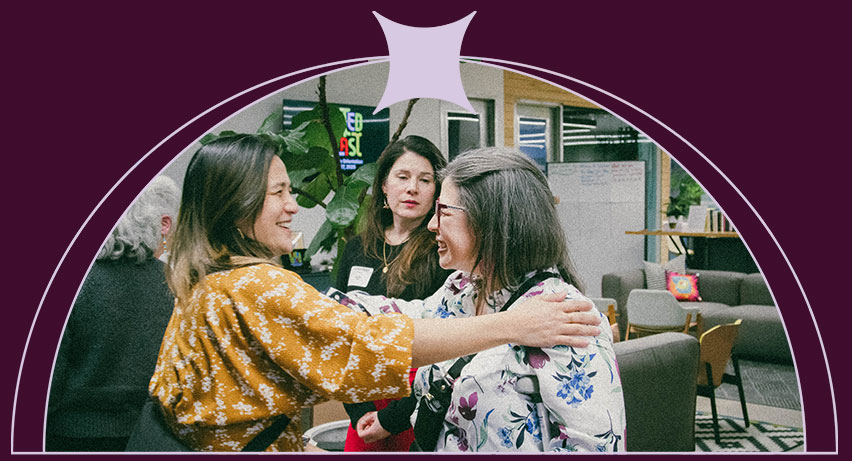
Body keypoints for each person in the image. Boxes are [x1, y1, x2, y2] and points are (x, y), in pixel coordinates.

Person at [146, 134, 602, 452]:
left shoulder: (559, 312)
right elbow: (372, 334)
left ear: (494, 220)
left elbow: (595, 439)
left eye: (439, 202)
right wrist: (510, 326)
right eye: (278, 192)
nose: (292, 205)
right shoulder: (253, 284)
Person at [353, 148, 626, 452]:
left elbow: (596, 447)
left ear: (490, 221)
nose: (432, 225)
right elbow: (405, 318)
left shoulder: (562, 315)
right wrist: (315, 306)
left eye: (443, 211)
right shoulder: (463, 288)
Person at [47, 175, 181, 451]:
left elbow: (50, 377)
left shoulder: (72, 283)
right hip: (151, 433)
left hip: (72, 434)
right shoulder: (176, 284)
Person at [336, 135, 452, 451]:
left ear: (437, 192)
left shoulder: (443, 254)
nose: (412, 188)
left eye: (425, 180)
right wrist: (360, 412)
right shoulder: (357, 248)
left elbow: (449, 346)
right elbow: (339, 333)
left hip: (422, 410)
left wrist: (392, 420)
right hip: (363, 409)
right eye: (402, 177)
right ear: (385, 186)